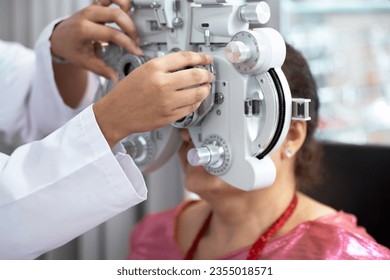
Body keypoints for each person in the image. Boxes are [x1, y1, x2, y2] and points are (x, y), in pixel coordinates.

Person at [128, 44, 390, 260]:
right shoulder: (154, 235)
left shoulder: (341, 257)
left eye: (222, 114)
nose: (189, 135)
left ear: (292, 135)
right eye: (191, 113)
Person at [0, 0, 213, 259]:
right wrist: (111, 121)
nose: (188, 136)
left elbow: (35, 111)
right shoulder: (154, 234)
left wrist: (59, 53)